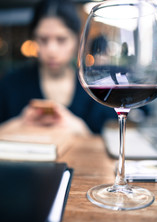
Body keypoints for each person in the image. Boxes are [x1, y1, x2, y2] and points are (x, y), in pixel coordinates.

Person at [0, 0, 117, 135]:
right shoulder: (10, 84)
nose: (51, 50)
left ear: (77, 40)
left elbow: (115, 137)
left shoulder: (95, 89)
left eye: (61, 39)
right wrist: (20, 123)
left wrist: (79, 128)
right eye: (43, 39)